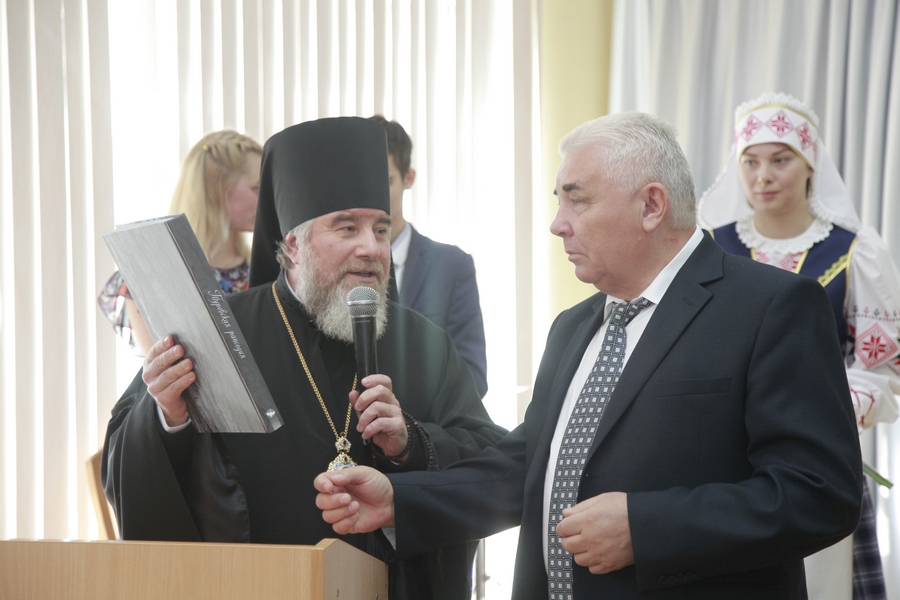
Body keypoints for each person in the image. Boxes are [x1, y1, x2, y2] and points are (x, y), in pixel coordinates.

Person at [315, 111, 863, 599]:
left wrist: (646, 529)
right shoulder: (573, 326)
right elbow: (525, 469)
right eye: (559, 201)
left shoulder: (771, 308)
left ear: (652, 205)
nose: (557, 223)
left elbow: (819, 494)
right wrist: (400, 500)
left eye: (577, 199)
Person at [101, 117, 507, 600]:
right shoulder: (219, 333)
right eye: (347, 228)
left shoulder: (424, 343)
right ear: (293, 245)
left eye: (380, 229)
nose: (371, 247)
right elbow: (127, 458)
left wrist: (411, 444)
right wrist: (169, 416)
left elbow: (490, 462)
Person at [698, 92, 900, 600]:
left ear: (810, 165)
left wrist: (829, 405)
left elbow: (882, 366)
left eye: (780, 159)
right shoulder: (709, 246)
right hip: (721, 456)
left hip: (818, 456)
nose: (763, 176)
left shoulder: (854, 251)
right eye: (750, 161)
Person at [97, 130, 262, 354]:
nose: (266, 198)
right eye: (257, 188)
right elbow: (160, 365)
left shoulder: (267, 271)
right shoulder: (150, 276)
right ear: (216, 188)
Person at [368, 115, 488, 397]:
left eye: (384, 182)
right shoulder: (338, 263)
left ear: (408, 178)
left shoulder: (451, 266)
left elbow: (472, 377)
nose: (372, 195)